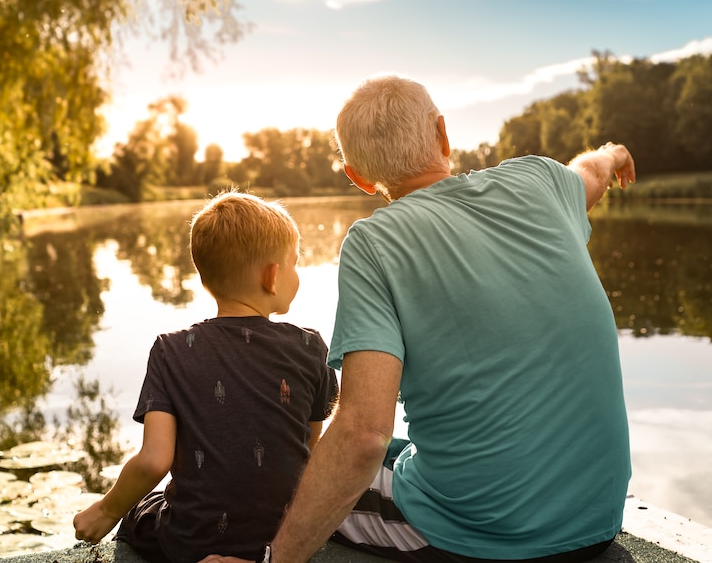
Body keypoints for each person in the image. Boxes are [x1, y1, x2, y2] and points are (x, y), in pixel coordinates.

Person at [202, 75, 636, 563]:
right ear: (443, 135)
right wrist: (613, 153)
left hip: (489, 533)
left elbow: (363, 434)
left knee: (293, 475)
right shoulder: (540, 179)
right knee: (385, 453)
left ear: (357, 177)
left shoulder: (374, 244)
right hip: (598, 517)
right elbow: (591, 172)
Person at [74, 191, 339, 563]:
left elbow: (154, 462)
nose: (298, 274)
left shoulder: (170, 351)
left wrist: (105, 510)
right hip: (285, 537)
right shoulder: (311, 347)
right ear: (272, 276)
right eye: (295, 263)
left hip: (190, 542)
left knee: (138, 512)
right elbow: (308, 451)